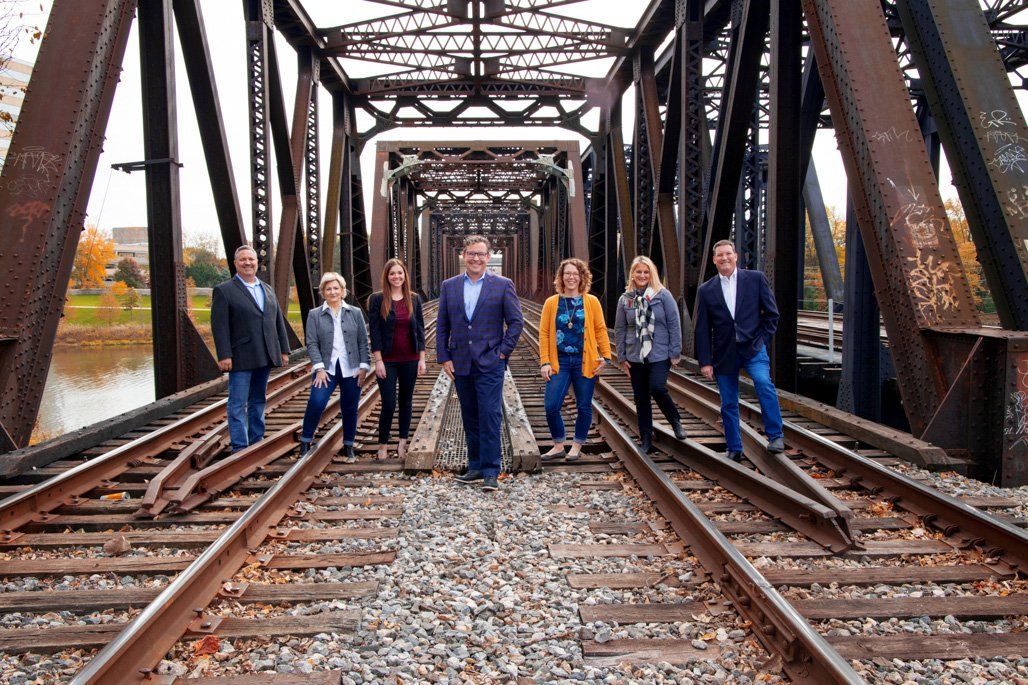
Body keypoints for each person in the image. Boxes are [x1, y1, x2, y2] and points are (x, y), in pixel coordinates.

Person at [437, 235, 524, 492]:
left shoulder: (503, 285)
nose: (476, 258)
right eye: (471, 253)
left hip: (490, 362)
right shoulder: (449, 286)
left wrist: (502, 353)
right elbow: (443, 325)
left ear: (488, 257)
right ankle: (474, 466)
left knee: (490, 415)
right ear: (463, 255)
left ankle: (490, 471)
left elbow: (516, 322)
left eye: (480, 254)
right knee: (470, 415)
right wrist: (444, 357)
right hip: (461, 361)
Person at [695, 240, 785, 461]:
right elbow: (702, 328)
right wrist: (705, 361)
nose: (724, 258)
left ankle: (776, 436)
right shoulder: (706, 290)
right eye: (720, 255)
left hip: (753, 348)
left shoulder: (755, 279)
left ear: (735, 256)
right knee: (728, 401)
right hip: (724, 353)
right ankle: (734, 448)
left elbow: (772, 314)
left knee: (763, 384)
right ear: (714, 260)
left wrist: (762, 341)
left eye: (728, 254)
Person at [211, 245, 291, 453]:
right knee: (237, 403)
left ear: (257, 262)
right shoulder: (224, 290)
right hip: (241, 356)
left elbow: (278, 321)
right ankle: (239, 447)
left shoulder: (267, 289)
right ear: (235, 263)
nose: (247, 263)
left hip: (265, 354)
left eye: (251, 259)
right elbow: (219, 326)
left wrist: (283, 350)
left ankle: (257, 441)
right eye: (243, 259)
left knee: (258, 400)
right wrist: (224, 355)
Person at [538, 258, 611, 462]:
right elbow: (544, 333)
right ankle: (558, 445)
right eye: (567, 273)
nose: (571, 277)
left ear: (582, 277)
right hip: (559, 361)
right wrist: (545, 361)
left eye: (575, 274)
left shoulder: (591, 301)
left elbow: (600, 329)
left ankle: (577, 446)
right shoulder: (551, 302)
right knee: (551, 405)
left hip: (584, 360)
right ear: (561, 277)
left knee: (584, 406)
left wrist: (606, 356)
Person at [614, 255, 687, 453]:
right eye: (638, 271)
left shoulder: (663, 295)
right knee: (641, 397)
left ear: (652, 274)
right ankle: (646, 437)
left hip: (659, 353)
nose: (642, 275)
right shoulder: (625, 299)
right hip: (635, 355)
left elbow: (674, 323)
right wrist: (621, 357)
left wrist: (675, 351)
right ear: (632, 274)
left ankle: (675, 421)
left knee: (657, 388)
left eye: (646, 272)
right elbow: (620, 329)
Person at [299, 272, 371, 461]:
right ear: (323, 292)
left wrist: (364, 367)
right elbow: (311, 343)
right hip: (326, 370)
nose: (332, 292)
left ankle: (348, 445)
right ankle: (305, 440)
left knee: (350, 407)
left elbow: (363, 342)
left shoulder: (355, 313)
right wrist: (319, 368)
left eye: (336, 288)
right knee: (317, 402)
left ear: (342, 290)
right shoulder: (314, 314)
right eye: (328, 289)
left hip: (351, 369)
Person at [367, 259, 427, 461]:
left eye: (399, 273)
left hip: (410, 358)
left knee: (406, 402)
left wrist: (422, 359)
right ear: (386, 276)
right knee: (389, 403)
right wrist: (378, 360)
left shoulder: (414, 299)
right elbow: (374, 331)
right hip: (388, 360)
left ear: (405, 275)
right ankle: (383, 444)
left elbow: (420, 329)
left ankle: (402, 442)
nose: (396, 277)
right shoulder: (377, 299)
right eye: (392, 273)